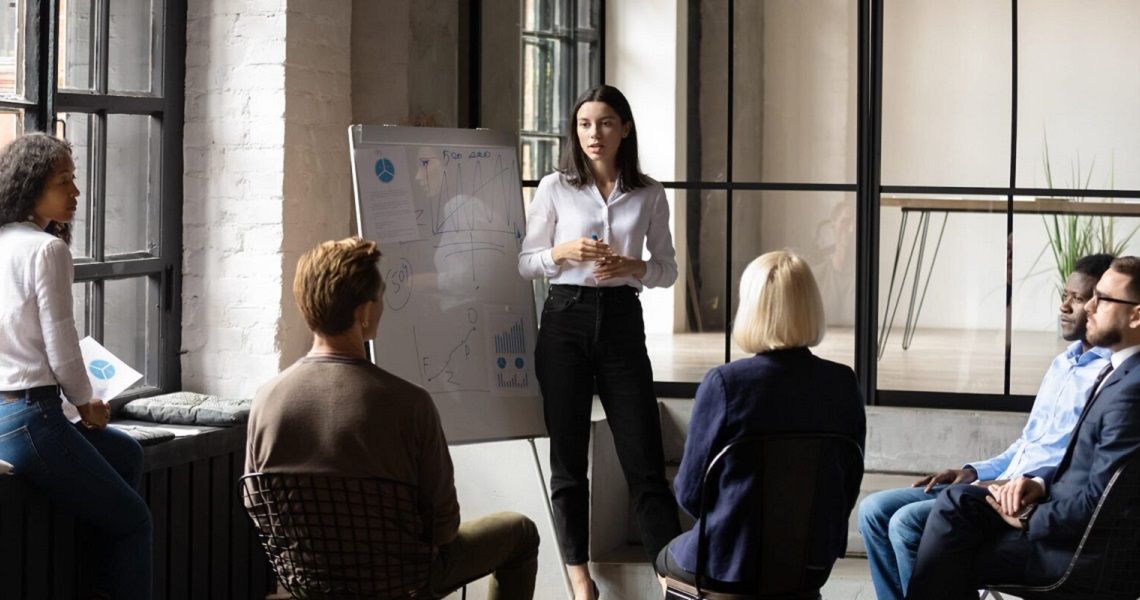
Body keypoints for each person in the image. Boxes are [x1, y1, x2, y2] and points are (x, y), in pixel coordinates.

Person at [247, 237, 540, 599]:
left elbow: (262, 510)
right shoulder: (409, 404)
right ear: (364, 313)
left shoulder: (266, 401)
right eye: (380, 298)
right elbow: (444, 528)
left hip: (309, 583)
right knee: (521, 533)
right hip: (402, 583)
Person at [857, 253, 1115, 600]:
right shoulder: (1062, 364)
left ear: (1101, 306)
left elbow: (1074, 469)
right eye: (1065, 295)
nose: (1064, 307)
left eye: (1078, 299)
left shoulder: (1107, 378)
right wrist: (972, 470)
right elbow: (1027, 443)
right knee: (873, 512)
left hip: (1019, 498)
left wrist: (1012, 484)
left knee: (906, 524)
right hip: (993, 482)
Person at [518, 83, 681, 600]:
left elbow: (668, 270)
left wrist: (634, 267)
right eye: (585, 124)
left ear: (625, 128)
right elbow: (524, 263)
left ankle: (670, 576)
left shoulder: (649, 193)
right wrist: (559, 252)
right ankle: (579, 576)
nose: (595, 133)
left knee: (644, 459)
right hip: (563, 320)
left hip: (621, 321)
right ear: (575, 131)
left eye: (606, 122)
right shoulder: (554, 187)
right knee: (568, 460)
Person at [654, 251, 866, 593]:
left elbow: (691, 494)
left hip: (728, 563)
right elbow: (848, 486)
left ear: (751, 308)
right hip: (809, 566)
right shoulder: (843, 384)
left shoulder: (724, 385)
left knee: (665, 558)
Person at [0, 132, 153, 598]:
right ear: (31, 186)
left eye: (74, 179)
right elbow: (61, 342)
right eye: (63, 182)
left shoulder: (4, 241)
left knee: (127, 454)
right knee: (133, 522)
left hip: (6, 415)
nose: (76, 193)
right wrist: (87, 403)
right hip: (33, 415)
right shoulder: (47, 249)